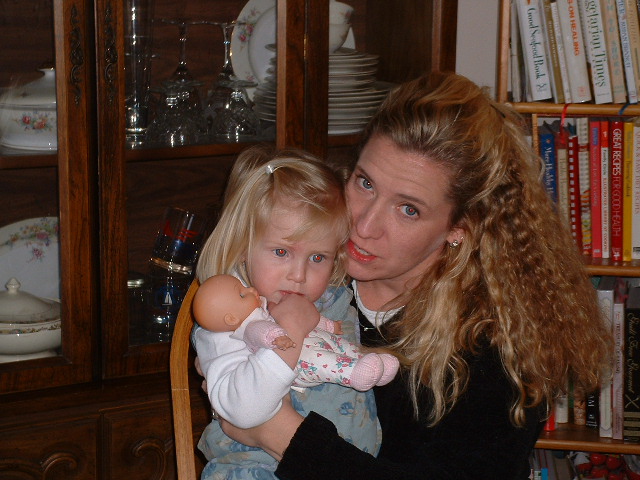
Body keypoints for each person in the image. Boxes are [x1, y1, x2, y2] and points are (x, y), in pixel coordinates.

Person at [216, 72, 613, 479]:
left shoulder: (499, 346)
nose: (364, 225)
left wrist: (277, 431)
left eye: (408, 209)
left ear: (460, 227)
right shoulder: (300, 269)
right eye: (365, 183)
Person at [193, 145, 385, 479]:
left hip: (346, 466)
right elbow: (244, 410)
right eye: (281, 252)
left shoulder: (336, 302)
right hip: (254, 468)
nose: (299, 275)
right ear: (243, 247)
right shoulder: (230, 314)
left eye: (317, 257)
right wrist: (292, 330)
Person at [192, 273, 398, 398]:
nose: (251, 290)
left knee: (339, 344)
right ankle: (353, 373)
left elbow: (304, 315)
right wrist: (276, 336)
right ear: (231, 319)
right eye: (242, 294)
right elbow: (260, 332)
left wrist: (327, 325)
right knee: (322, 361)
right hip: (297, 358)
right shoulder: (248, 327)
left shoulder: (265, 306)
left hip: (311, 337)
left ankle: (371, 362)